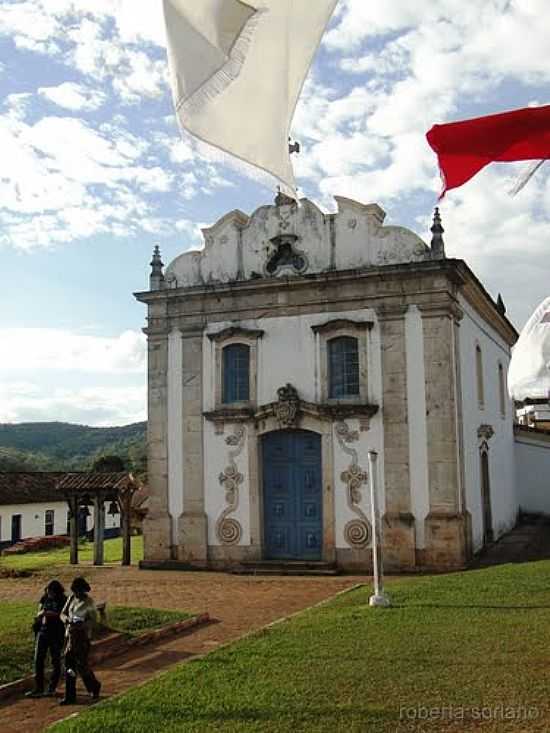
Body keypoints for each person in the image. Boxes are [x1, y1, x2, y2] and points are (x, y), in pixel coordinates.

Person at [59, 576, 101, 705]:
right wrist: (66, 620)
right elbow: (62, 613)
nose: (77, 594)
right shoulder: (71, 599)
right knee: (68, 666)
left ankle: (94, 686)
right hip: (70, 636)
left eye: (80, 591)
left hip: (82, 638)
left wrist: (82, 625)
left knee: (82, 666)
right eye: (75, 591)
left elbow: (95, 621)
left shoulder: (89, 602)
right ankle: (70, 695)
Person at [26, 580, 67, 698]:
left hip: (56, 633)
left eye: (51, 592)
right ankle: (38, 687)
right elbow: (40, 610)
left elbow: (61, 614)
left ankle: (51, 688)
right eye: (48, 592)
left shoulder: (63, 599)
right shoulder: (45, 598)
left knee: (55, 660)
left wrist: (48, 613)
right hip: (43, 632)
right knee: (38, 659)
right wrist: (41, 613)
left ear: (57, 591)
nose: (49, 594)